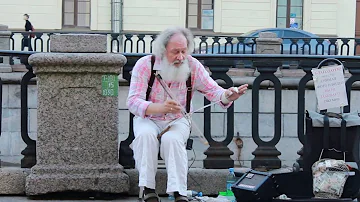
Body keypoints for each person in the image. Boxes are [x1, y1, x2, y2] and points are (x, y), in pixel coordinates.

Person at [126, 27, 248, 202]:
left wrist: (228, 95)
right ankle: (147, 189)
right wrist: (160, 107)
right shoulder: (145, 64)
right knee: (145, 136)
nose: (181, 57)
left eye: (184, 51)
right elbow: (132, 101)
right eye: (175, 52)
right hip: (149, 118)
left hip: (178, 120)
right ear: (163, 50)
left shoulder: (193, 66)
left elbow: (214, 91)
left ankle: (178, 192)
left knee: (172, 140)